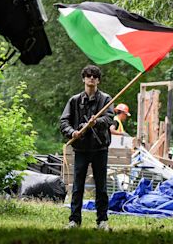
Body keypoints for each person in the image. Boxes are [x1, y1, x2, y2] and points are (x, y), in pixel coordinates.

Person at [60, 65, 114, 231]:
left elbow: (110, 118)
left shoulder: (105, 99)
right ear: (83, 79)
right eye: (88, 75)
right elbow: (64, 122)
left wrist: (96, 122)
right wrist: (72, 132)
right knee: (78, 186)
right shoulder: (74, 100)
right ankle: (74, 220)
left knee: (101, 187)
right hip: (81, 150)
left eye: (95, 76)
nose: (91, 78)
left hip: (100, 149)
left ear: (98, 80)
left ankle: (102, 221)